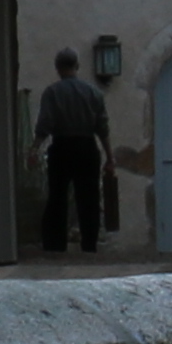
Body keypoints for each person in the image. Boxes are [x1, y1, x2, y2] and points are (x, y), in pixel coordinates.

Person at [35, 49, 109, 255]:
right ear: (77, 66)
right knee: (89, 198)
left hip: (62, 147)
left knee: (57, 196)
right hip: (87, 147)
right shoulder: (93, 92)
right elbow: (102, 127)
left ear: (58, 68)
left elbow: (45, 124)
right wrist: (110, 157)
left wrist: (34, 148)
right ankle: (89, 244)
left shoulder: (52, 92)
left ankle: (55, 245)